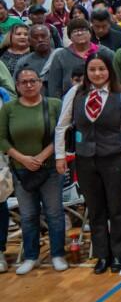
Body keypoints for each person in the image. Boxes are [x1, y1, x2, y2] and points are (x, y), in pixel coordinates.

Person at [54, 52, 121, 275]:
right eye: (92, 69)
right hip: (85, 159)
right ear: (86, 72)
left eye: (102, 69)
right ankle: (102, 255)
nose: (97, 73)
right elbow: (62, 126)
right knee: (95, 209)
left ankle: (119, 254)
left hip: (115, 157)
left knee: (117, 208)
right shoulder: (75, 93)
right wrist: (60, 156)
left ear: (109, 70)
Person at [0, 67, 66, 275]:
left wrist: (41, 157)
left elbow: (61, 134)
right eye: (24, 82)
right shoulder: (9, 109)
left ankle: (57, 254)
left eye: (33, 81)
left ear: (40, 83)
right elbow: (1, 138)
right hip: (21, 171)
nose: (29, 85)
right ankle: (31, 256)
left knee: (54, 213)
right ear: (17, 86)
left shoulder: (54, 105)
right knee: (28, 215)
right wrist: (22, 158)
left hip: (50, 170)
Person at [44, 18, 115, 99]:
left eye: (83, 30)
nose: (79, 33)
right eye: (75, 31)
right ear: (70, 37)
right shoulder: (60, 56)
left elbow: (115, 79)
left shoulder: (105, 52)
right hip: (71, 100)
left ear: (90, 33)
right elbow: (54, 85)